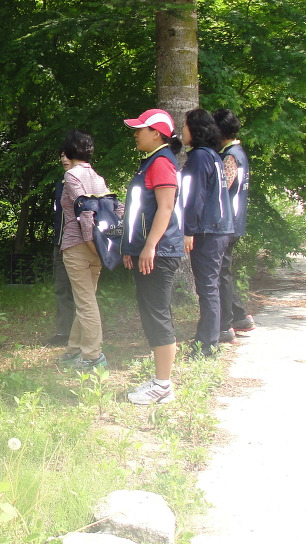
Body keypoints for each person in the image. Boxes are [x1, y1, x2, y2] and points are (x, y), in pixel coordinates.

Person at [121, 108, 184, 404]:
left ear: (156, 134)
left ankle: (163, 385)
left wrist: (149, 247)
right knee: (151, 312)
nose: (136, 134)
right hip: (147, 250)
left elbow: (166, 208)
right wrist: (132, 247)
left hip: (160, 252)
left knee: (158, 314)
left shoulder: (160, 162)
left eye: (140, 129)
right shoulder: (150, 161)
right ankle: (160, 380)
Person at [180, 109, 234, 358]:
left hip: (207, 231)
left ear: (195, 129)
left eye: (185, 126)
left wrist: (188, 230)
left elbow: (195, 196)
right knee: (209, 285)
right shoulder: (212, 155)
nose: (182, 131)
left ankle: (208, 344)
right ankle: (207, 337)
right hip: (218, 228)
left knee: (208, 287)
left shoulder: (200, 157)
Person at [57, 130, 111, 370]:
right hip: (96, 247)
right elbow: (114, 208)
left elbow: (85, 210)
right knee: (86, 299)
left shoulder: (71, 176)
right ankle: (74, 350)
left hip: (78, 246)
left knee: (85, 303)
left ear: (69, 150)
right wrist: (100, 247)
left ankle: (93, 356)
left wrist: (89, 242)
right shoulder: (97, 177)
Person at [213, 108, 255, 339]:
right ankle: (239, 316)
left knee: (221, 274)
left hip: (227, 223)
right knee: (223, 271)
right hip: (234, 222)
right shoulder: (239, 153)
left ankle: (225, 324)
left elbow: (221, 189)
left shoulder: (230, 156)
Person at [46, 151, 76, 346]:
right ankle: (63, 332)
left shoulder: (85, 181)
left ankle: (82, 334)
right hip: (60, 243)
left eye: (68, 155)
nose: (64, 159)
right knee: (61, 288)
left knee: (81, 292)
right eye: (62, 156)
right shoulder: (61, 183)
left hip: (78, 245)